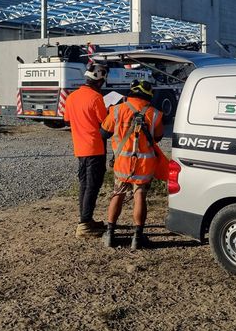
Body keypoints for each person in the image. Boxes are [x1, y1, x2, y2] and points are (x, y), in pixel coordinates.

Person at [100, 79, 164, 250]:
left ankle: (110, 234)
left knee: (118, 194)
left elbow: (103, 133)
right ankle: (137, 237)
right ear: (149, 95)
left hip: (122, 163)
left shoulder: (116, 110)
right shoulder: (155, 114)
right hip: (144, 165)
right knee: (140, 196)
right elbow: (158, 137)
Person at [63, 62, 109, 238]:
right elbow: (105, 124)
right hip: (95, 148)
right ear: (99, 80)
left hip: (80, 148)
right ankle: (84, 224)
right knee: (92, 185)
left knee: (84, 184)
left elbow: (67, 120)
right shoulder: (96, 98)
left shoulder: (72, 97)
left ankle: (86, 219)